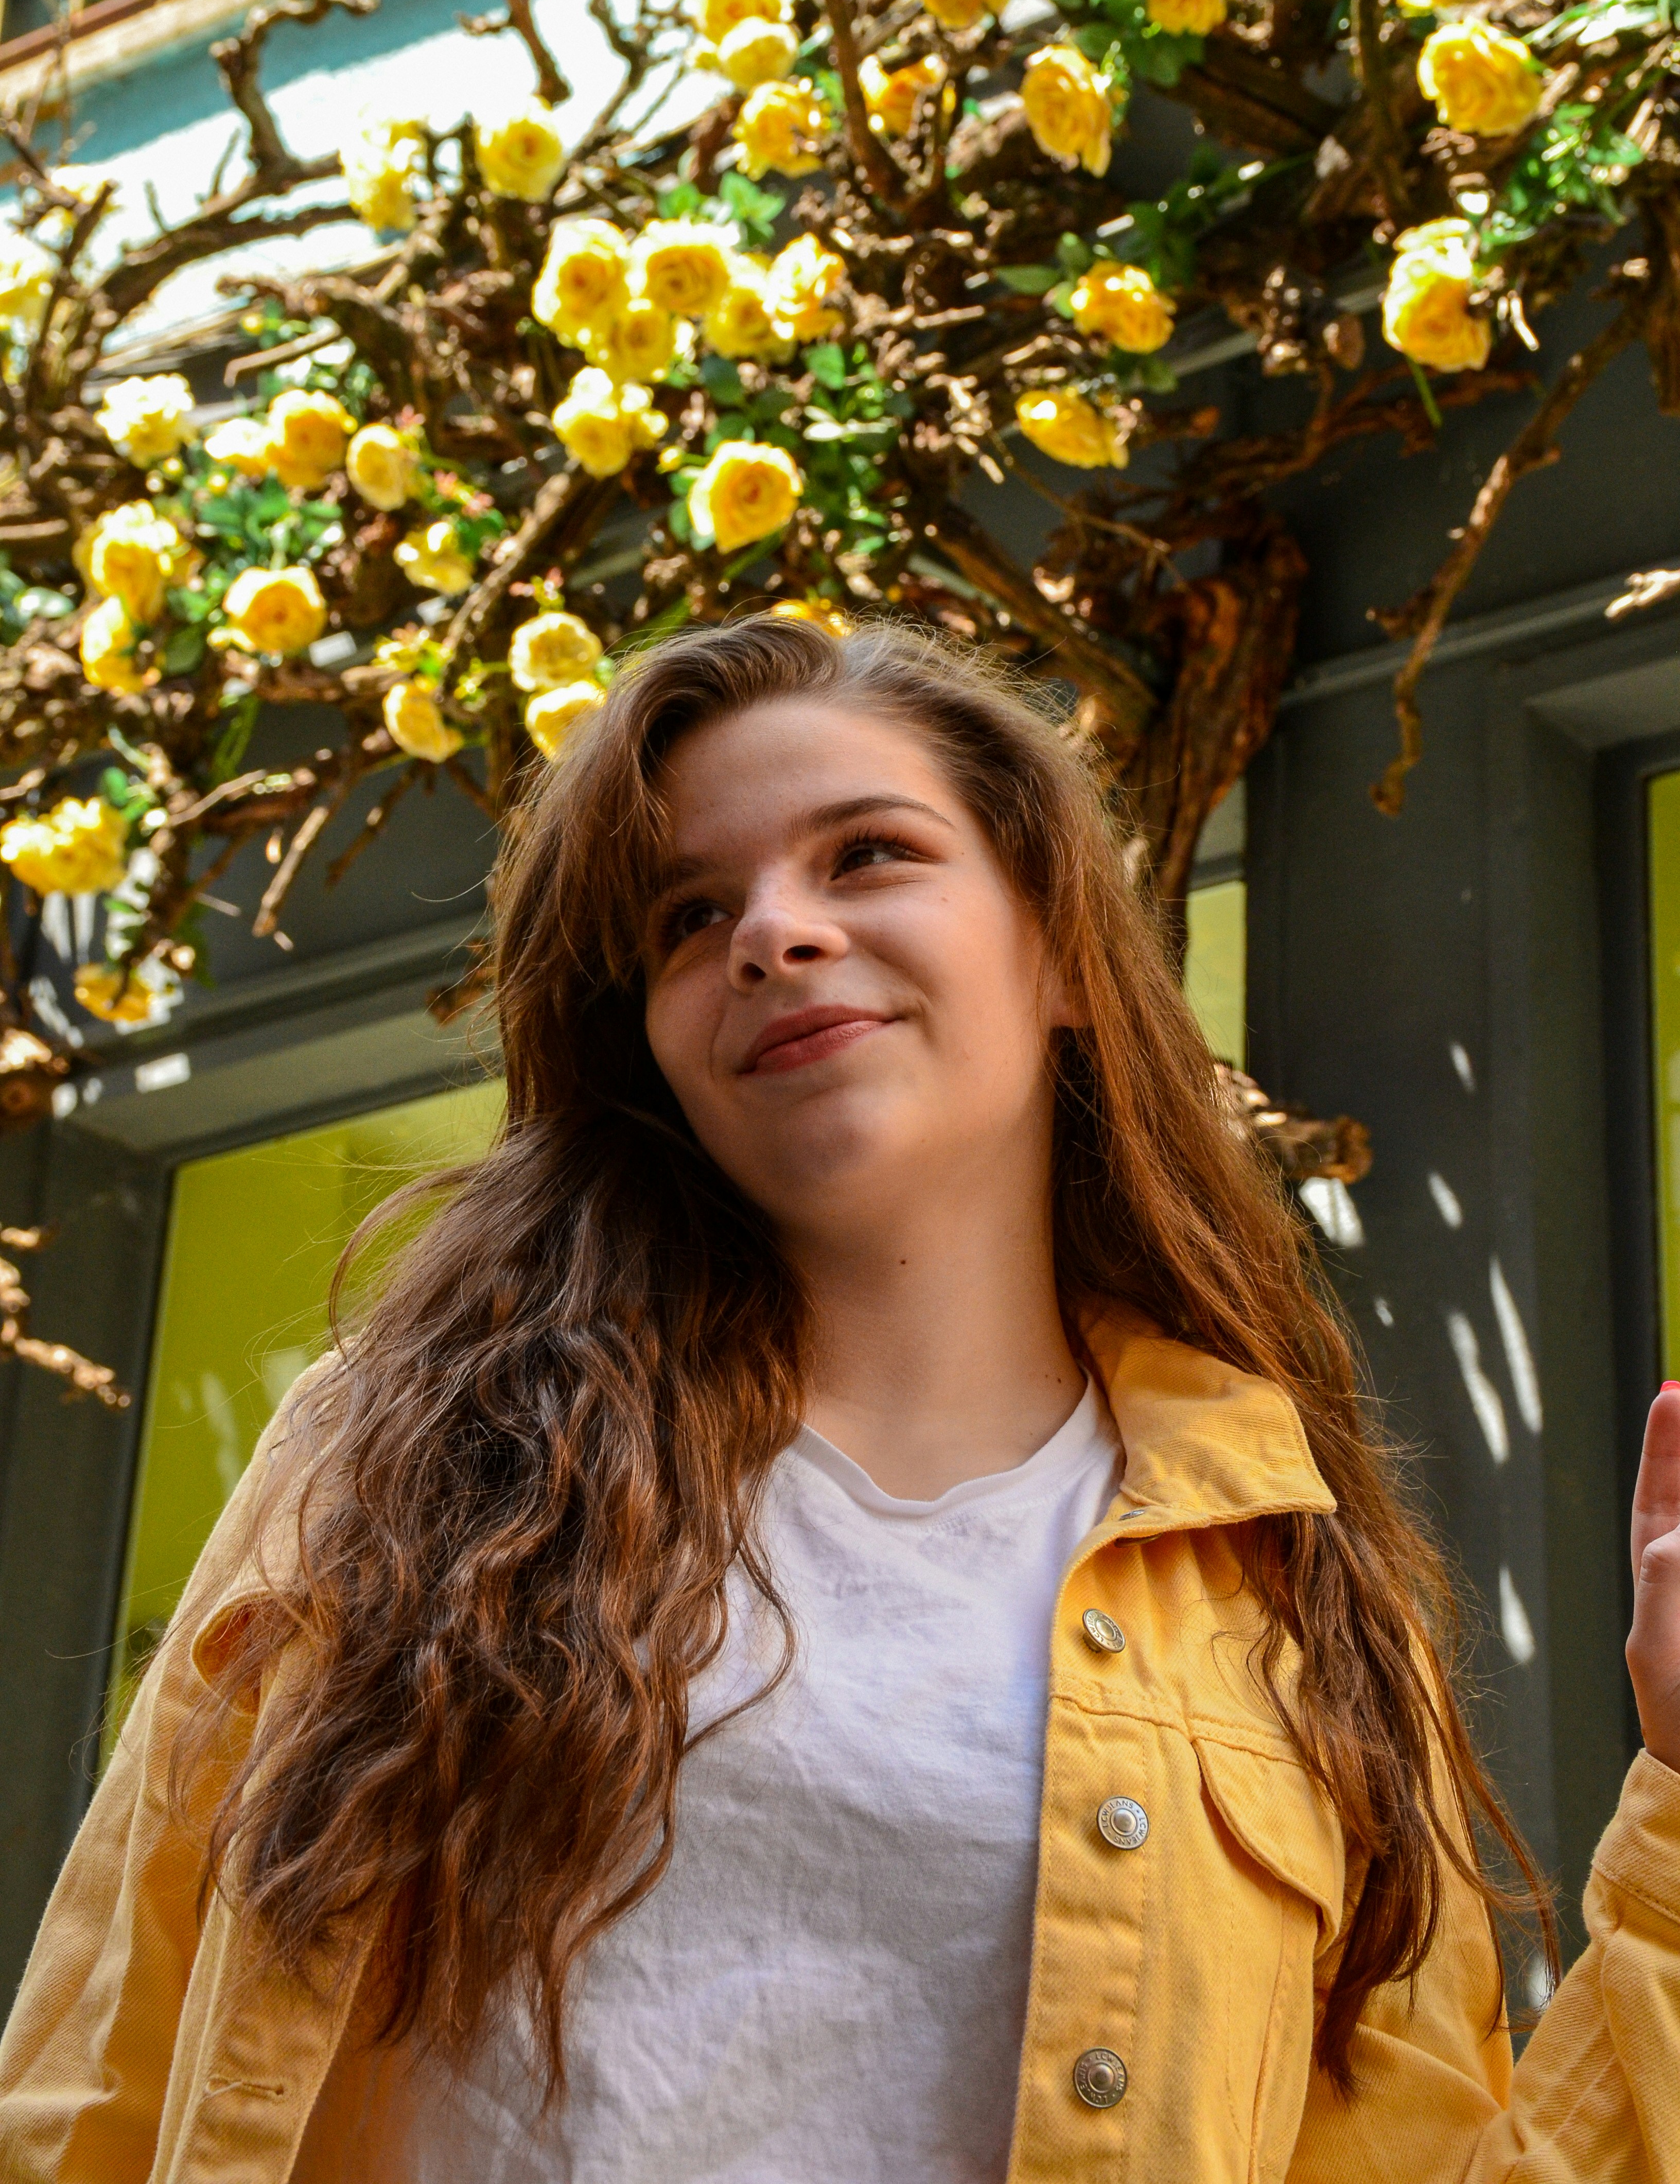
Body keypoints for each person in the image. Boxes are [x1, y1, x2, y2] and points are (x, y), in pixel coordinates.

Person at [2, 616, 1677, 2184]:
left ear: (1067, 956)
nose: (774, 934)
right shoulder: (415, 1451)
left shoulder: (1289, 1589)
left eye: (867, 853)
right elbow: (99, 2063)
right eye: (686, 917)